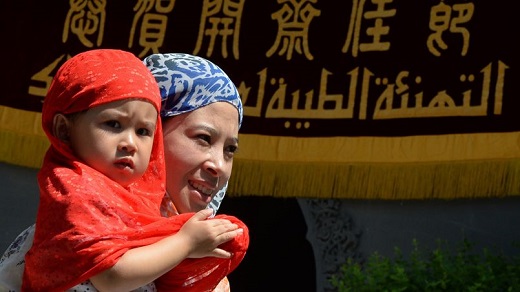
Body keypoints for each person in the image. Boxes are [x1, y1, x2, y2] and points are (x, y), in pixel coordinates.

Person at [12, 49, 248, 291]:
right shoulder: (77, 229)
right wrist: (185, 243)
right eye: (204, 138)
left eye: (230, 150)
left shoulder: (203, 266)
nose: (218, 165)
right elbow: (111, 274)